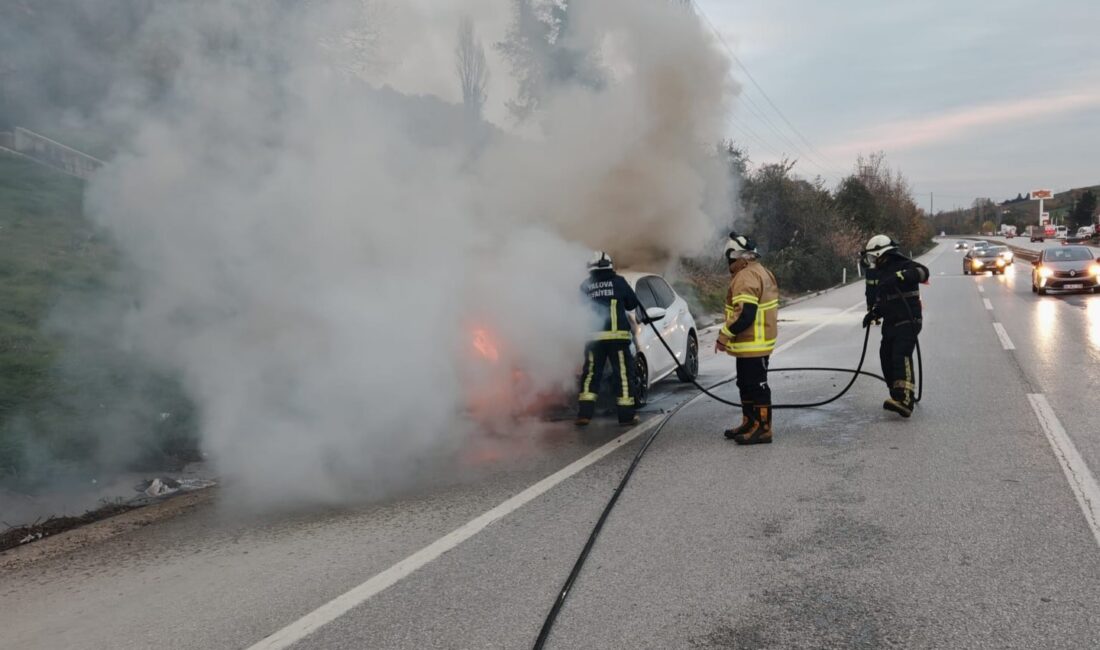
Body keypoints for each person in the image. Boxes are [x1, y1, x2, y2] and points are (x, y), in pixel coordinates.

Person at [715, 232, 779, 445]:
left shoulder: (746, 276)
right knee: (746, 384)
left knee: (756, 386)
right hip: (752, 343)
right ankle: (750, 422)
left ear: (739, 257)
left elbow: (745, 314)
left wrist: (723, 336)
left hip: (753, 343)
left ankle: (762, 428)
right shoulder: (761, 271)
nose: (729, 263)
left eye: (730, 259)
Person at [861, 235, 929, 418]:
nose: (873, 261)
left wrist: (901, 276)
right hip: (891, 321)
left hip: (909, 319)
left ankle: (906, 400)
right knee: (886, 356)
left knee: (901, 355)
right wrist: (874, 313)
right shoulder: (882, 272)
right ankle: (897, 394)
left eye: (874, 257)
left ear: (882, 254)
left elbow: (924, 273)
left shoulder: (904, 264)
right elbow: (885, 300)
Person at [576, 251, 641, 427]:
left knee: (590, 375)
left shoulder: (585, 286)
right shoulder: (618, 282)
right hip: (617, 340)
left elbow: (577, 310)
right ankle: (626, 417)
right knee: (623, 377)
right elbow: (632, 303)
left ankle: (584, 415)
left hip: (593, 340)